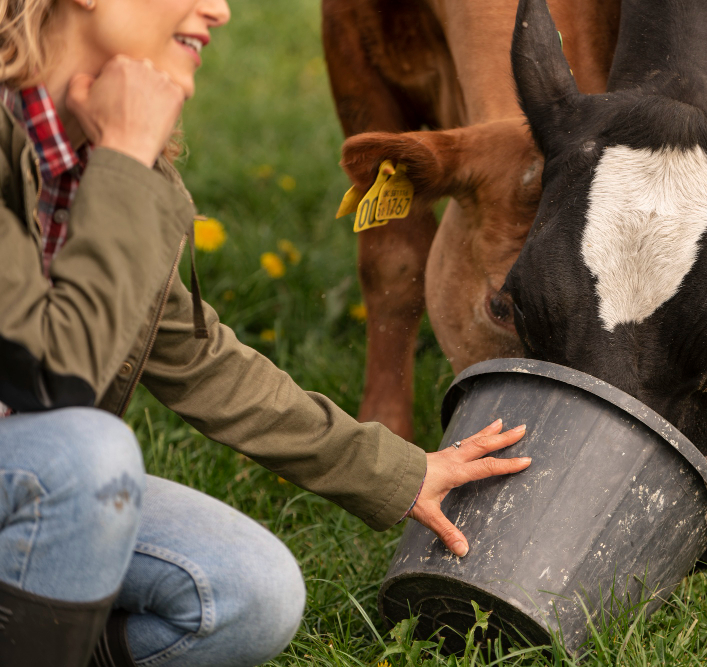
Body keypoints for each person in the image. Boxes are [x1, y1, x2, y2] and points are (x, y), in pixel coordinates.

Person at [0, 0, 533, 664]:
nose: (219, 10)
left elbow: (198, 359)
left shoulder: (99, 156)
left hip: (32, 478)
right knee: (90, 452)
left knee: (253, 591)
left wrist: (403, 472)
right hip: (53, 468)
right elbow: (53, 374)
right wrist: (126, 161)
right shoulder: (113, 160)